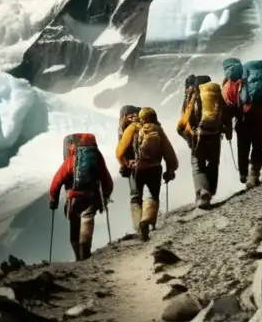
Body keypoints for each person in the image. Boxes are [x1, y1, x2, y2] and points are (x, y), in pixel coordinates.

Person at [116, 107, 179, 240]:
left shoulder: (133, 128)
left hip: (138, 168)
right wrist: (171, 169)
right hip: (156, 168)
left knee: (136, 197)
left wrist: (125, 165)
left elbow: (119, 152)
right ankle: (147, 220)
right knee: (152, 196)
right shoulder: (158, 129)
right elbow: (169, 153)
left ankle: (139, 226)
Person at [49, 133, 115, 261]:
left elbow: (57, 181)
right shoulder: (96, 156)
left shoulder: (72, 159)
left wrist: (53, 199)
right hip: (91, 197)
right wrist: (105, 196)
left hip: (74, 200)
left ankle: (79, 258)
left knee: (74, 229)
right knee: (87, 219)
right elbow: (106, 179)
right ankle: (85, 248)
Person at [226, 59, 262, 187]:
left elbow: (229, 108)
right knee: (259, 147)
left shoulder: (235, 85)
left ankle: (243, 174)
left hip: (242, 123)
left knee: (243, 148)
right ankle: (254, 174)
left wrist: (228, 126)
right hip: (259, 121)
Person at [180, 75, 230, 209]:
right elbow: (226, 113)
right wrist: (227, 130)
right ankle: (210, 191)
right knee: (213, 162)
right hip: (215, 134)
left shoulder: (193, 98)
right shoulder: (215, 95)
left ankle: (203, 191)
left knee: (198, 165)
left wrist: (185, 135)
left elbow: (184, 122)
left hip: (198, 137)